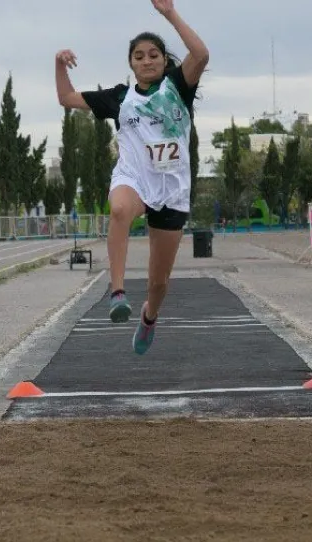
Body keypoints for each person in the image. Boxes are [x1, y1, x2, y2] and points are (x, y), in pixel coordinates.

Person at [54, 0, 209, 354]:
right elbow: (65, 97)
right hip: (135, 179)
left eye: (153, 54)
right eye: (138, 56)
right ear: (131, 64)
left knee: (159, 282)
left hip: (171, 189)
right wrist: (59, 63)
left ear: (164, 60)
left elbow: (200, 53)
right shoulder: (119, 98)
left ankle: (149, 316)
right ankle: (118, 292)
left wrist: (169, 13)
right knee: (120, 210)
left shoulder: (177, 86)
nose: (146, 60)